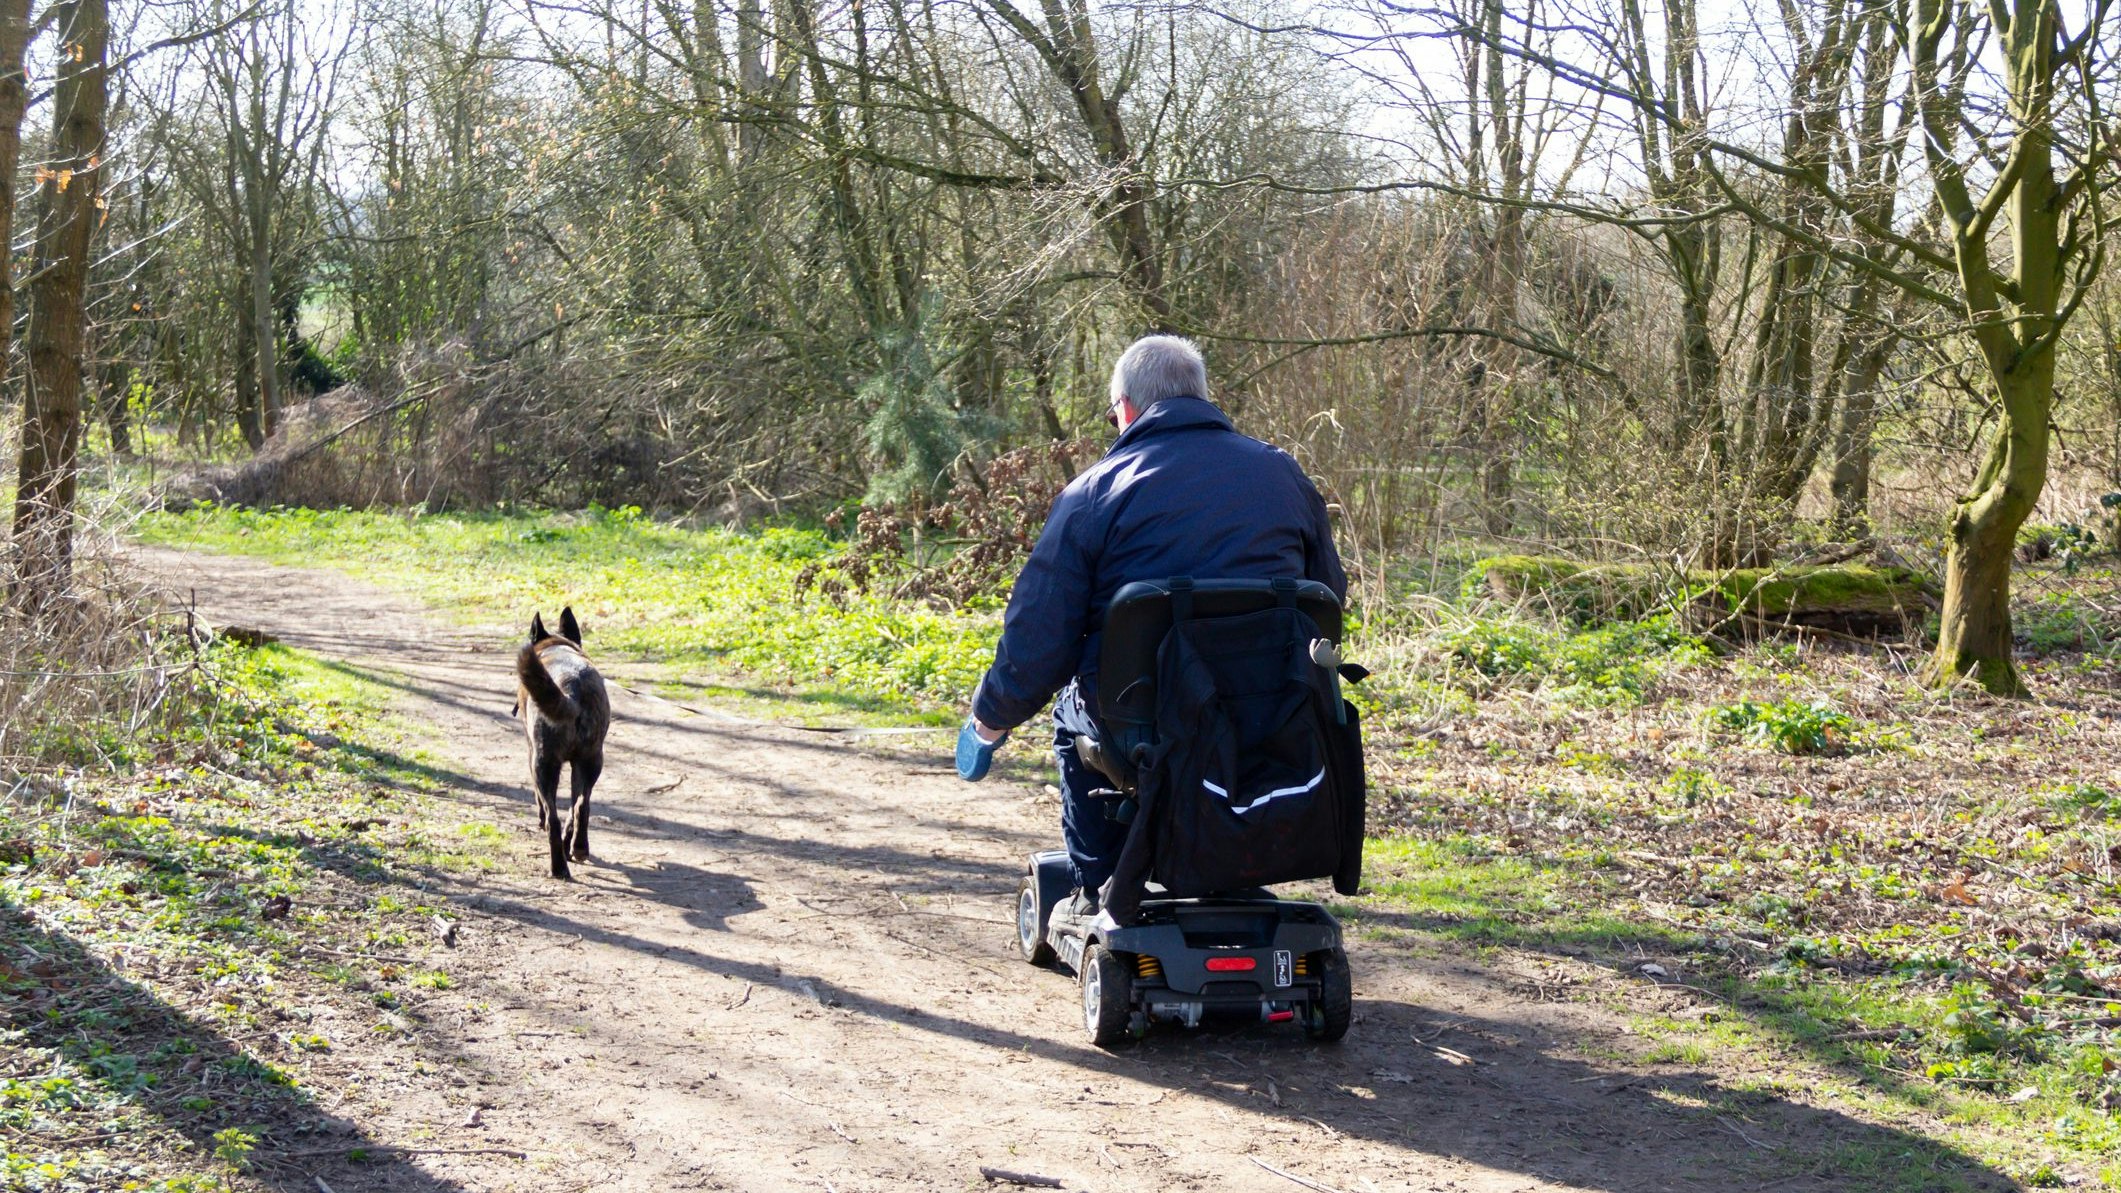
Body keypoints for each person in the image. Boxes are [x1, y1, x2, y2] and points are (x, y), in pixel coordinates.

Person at [954, 334, 1347, 914]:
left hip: (1139, 727)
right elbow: (1328, 598)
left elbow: (1039, 641)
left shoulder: (1093, 494)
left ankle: (1099, 879)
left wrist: (988, 723)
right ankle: (1228, 859)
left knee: (1073, 710)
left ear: (1128, 407)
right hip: (1271, 713)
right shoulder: (1284, 476)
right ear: (1201, 398)